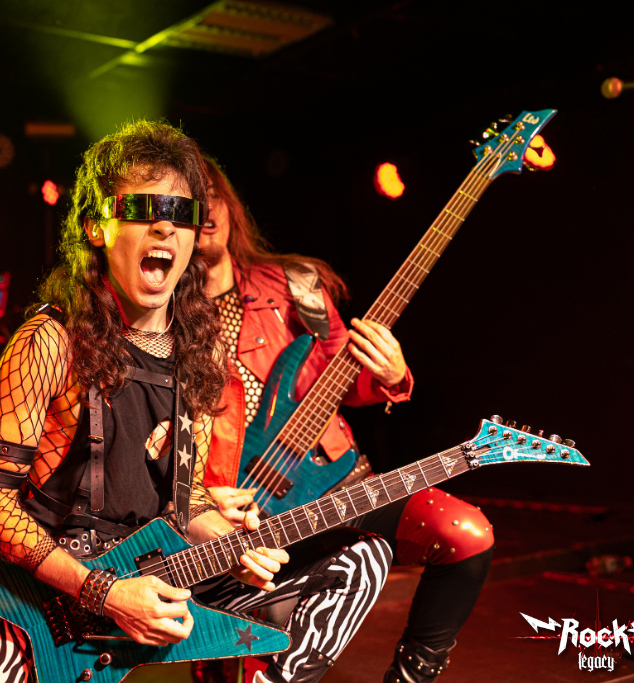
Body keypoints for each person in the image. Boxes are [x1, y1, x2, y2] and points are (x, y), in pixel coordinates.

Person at [0, 121, 392, 683]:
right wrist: (105, 591)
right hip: (53, 596)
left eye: (180, 212)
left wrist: (231, 542)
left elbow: (185, 505)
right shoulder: (49, 341)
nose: (164, 224)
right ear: (97, 226)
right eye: (142, 209)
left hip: (159, 573)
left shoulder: (198, 352)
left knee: (361, 557)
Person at [197, 154, 495, 683]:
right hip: (235, 502)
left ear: (231, 206)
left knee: (465, 533)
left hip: (332, 477)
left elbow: (339, 376)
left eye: (212, 195)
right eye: (188, 201)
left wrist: (389, 375)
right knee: (239, 629)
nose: (204, 211)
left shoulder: (294, 283)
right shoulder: (157, 307)